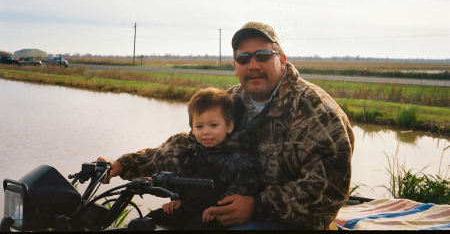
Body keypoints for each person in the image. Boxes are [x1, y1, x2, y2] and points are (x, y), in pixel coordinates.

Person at [99, 22, 354, 230]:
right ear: (235, 67)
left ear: (282, 60)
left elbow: (327, 190)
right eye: (244, 59)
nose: (253, 65)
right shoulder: (231, 100)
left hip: (289, 223)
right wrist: (122, 165)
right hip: (220, 211)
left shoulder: (317, 111)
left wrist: (256, 206)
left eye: (263, 56)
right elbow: (189, 147)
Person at [100, 87, 259, 230]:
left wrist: (218, 209)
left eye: (213, 125)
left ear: (229, 126)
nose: (206, 132)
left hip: (213, 214)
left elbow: (242, 189)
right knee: (148, 221)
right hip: (187, 208)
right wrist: (179, 199)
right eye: (199, 126)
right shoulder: (191, 151)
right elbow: (181, 177)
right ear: (192, 128)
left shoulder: (236, 158)